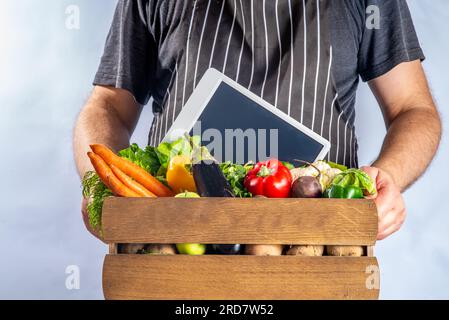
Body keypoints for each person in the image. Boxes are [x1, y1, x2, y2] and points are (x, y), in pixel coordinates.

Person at [74, 0, 441, 241]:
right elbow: (108, 106)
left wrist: (386, 176)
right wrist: (103, 183)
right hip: (177, 243)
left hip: (320, 249)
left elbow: (413, 109)